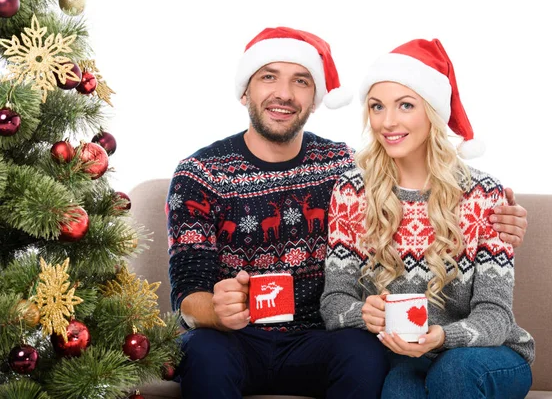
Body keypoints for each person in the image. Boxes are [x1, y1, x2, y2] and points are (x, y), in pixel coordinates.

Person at [166, 27, 528, 398]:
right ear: (245, 90)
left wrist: (505, 221)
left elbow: (407, 176)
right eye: (268, 77)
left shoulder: (342, 168)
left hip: (318, 342)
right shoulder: (201, 174)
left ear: (316, 97)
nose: (284, 94)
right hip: (231, 340)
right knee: (204, 351)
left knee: (364, 354)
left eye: (301, 81)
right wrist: (217, 309)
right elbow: (187, 295)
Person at [320, 38, 534, 399]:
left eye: (405, 105)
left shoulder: (483, 194)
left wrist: (443, 337)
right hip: (406, 357)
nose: (388, 122)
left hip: (487, 355)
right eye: (377, 107)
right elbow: (333, 303)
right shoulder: (351, 192)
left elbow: (496, 317)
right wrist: (363, 313)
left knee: (452, 372)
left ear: (432, 111)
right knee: (399, 389)